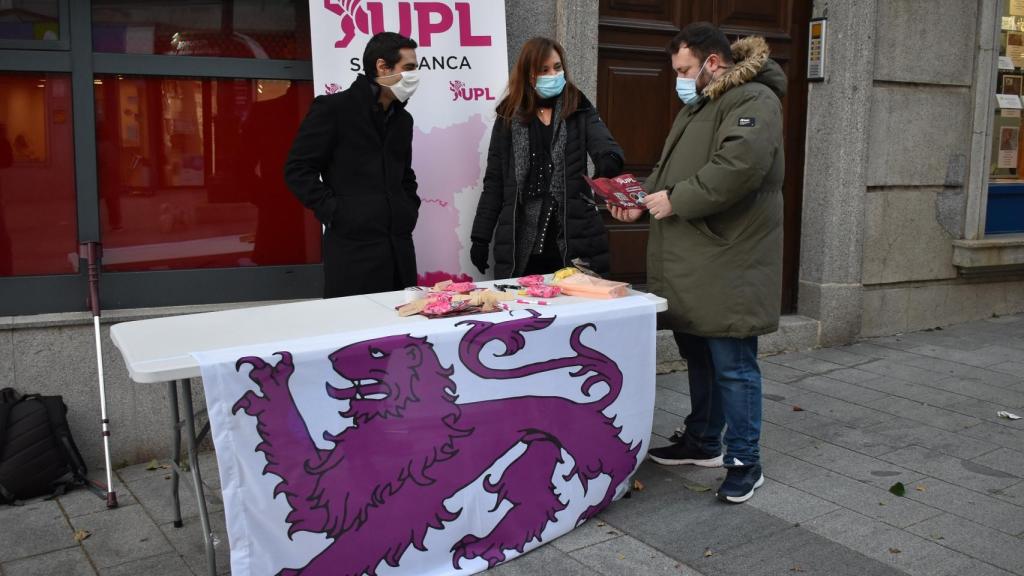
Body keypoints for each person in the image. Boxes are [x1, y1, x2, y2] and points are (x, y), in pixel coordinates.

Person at [610, 23, 785, 504]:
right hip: (696, 257)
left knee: (733, 363)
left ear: (712, 62)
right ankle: (704, 441)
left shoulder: (754, 100)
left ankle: (745, 460)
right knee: (700, 357)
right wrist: (637, 200)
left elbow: (739, 168)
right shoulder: (703, 102)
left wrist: (677, 200)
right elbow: (671, 174)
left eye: (685, 69)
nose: (680, 79)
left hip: (731, 257)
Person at [470, 37, 624, 279]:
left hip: (574, 234)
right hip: (521, 241)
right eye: (544, 70)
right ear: (528, 74)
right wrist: (480, 237)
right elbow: (495, 181)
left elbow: (605, 145)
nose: (553, 74)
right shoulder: (509, 116)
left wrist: (607, 164)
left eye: (557, 67)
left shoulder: (578, 107)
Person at [285, 32, 421, 297]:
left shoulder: (403, 120)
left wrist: (408, 209)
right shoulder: (334, 109)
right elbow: (298, 169)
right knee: (357, 333)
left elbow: (405, 174)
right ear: (382, 67)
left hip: (399, 253)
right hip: (353, 254)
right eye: (409, 68)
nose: (414, 76)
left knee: (402, 333)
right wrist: (337, 212)